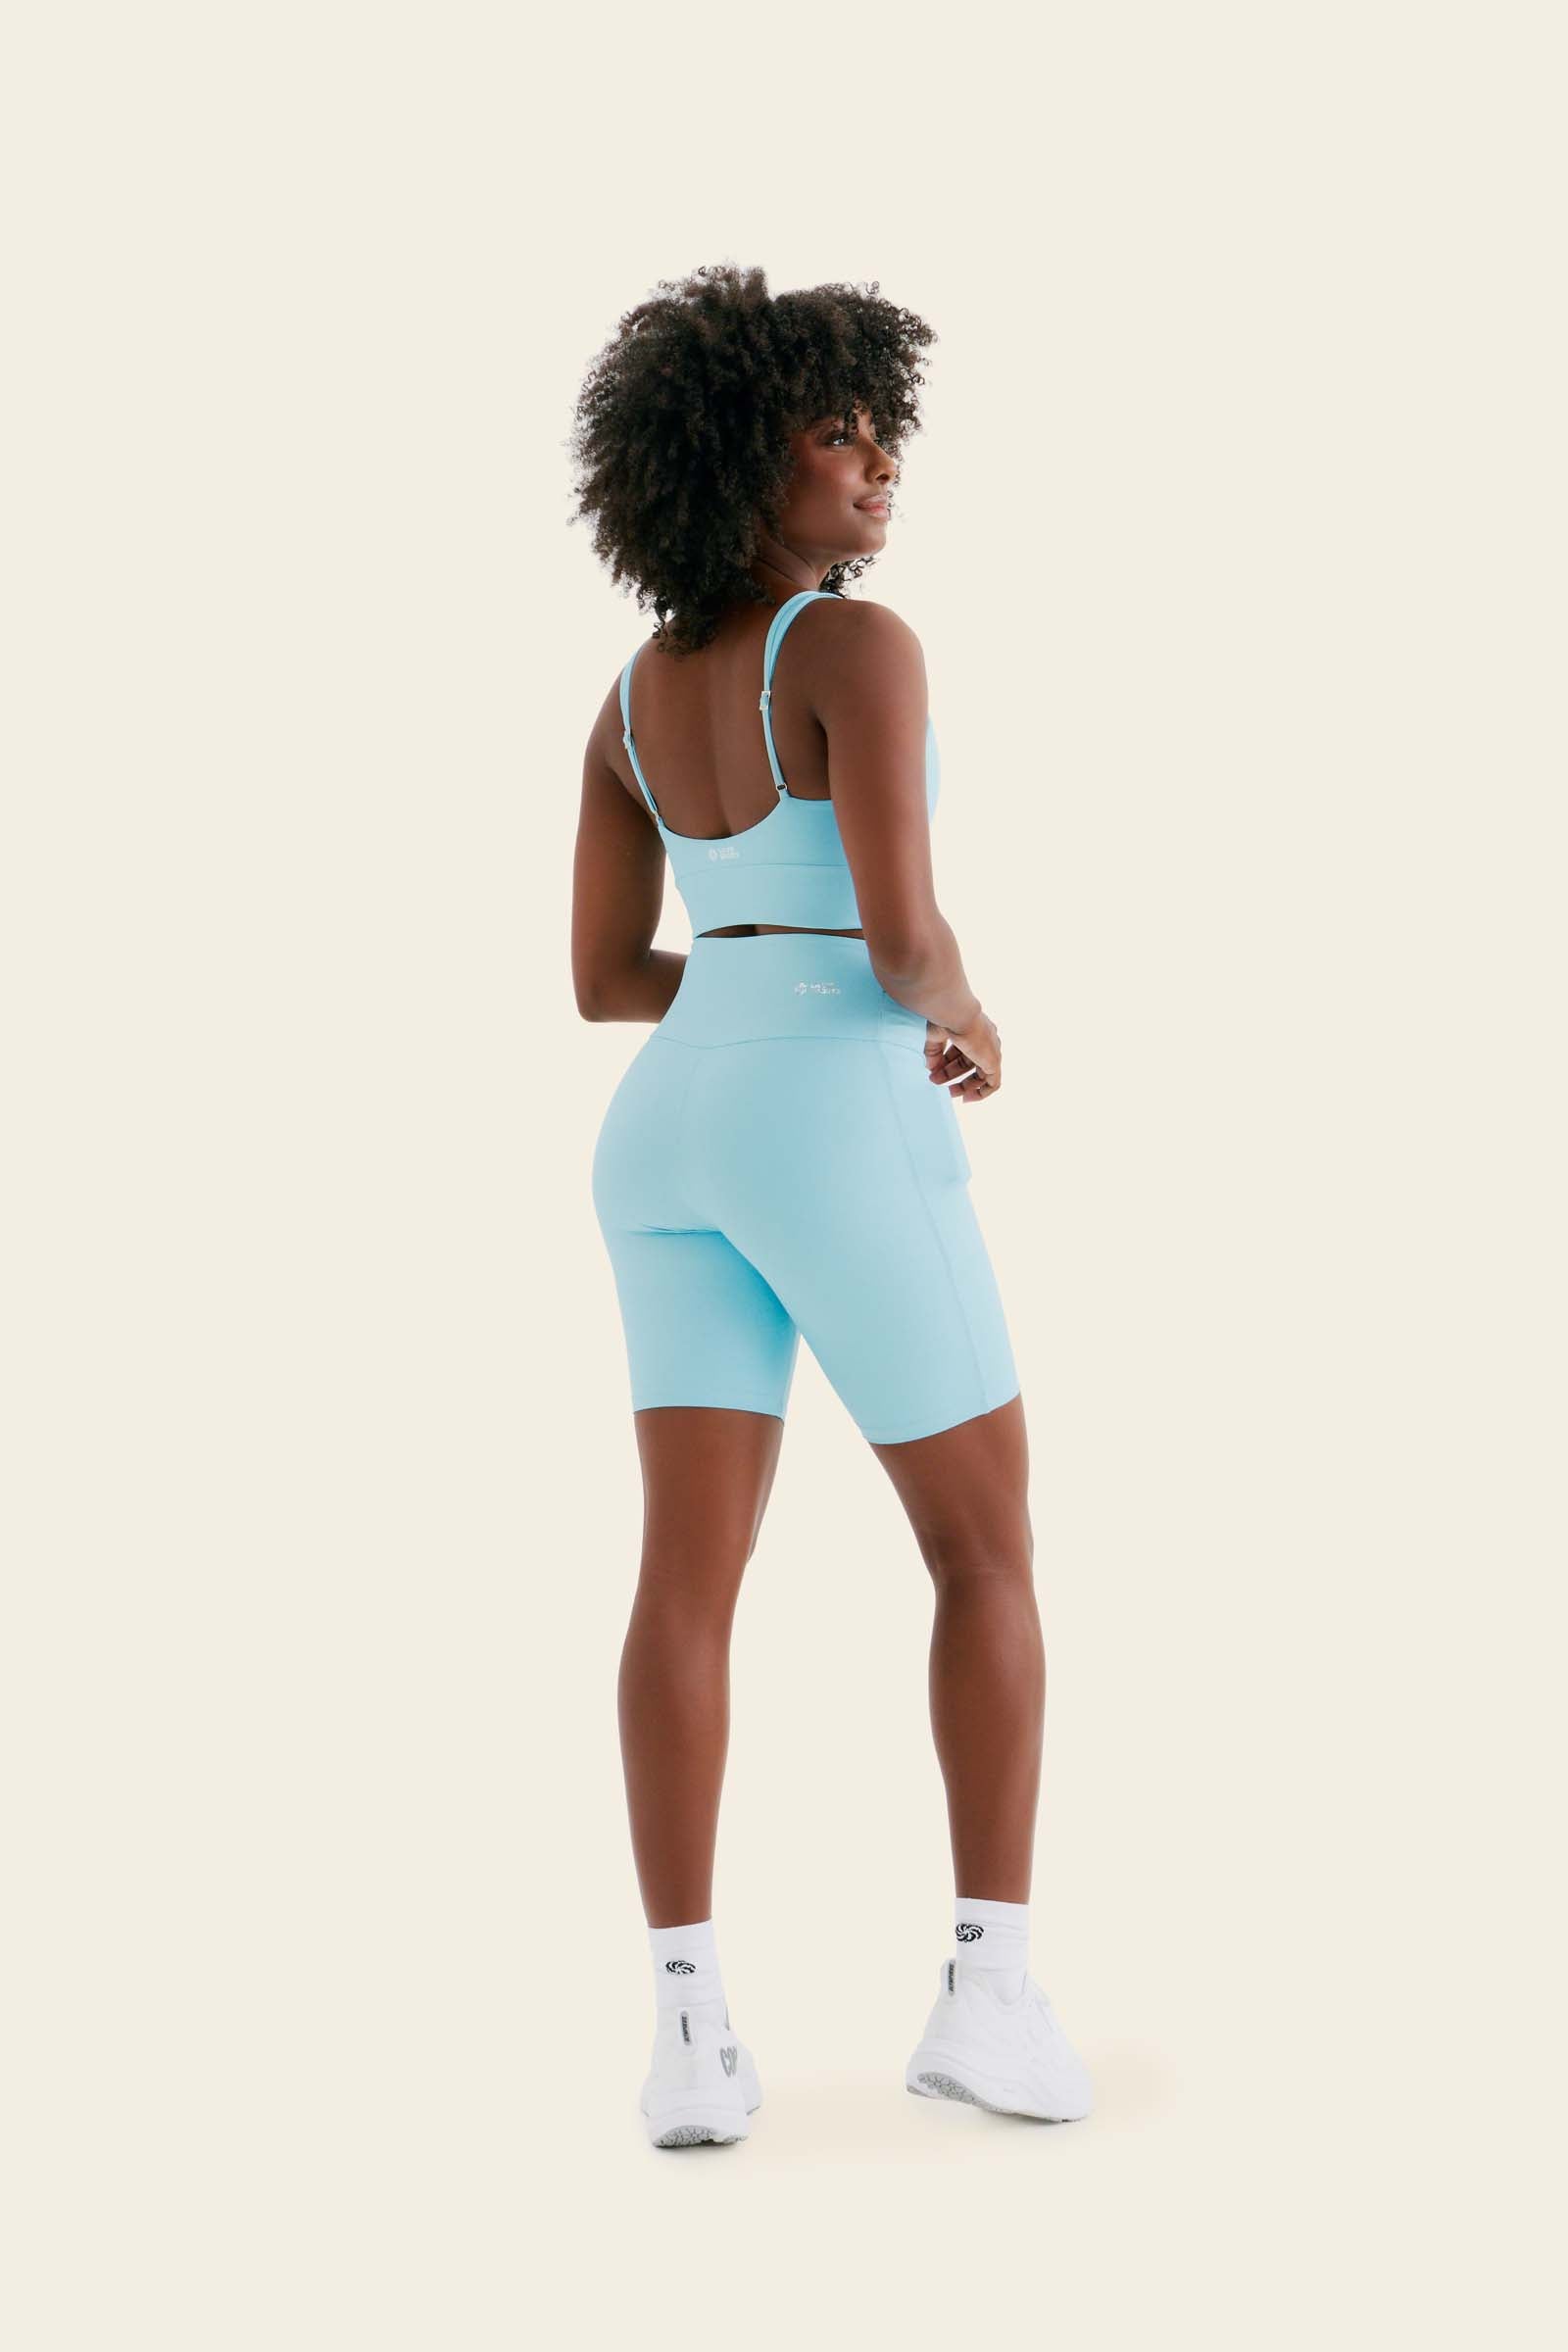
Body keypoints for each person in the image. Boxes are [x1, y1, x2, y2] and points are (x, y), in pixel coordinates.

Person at [568, 264, 1091, 2147]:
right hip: (835, 1122)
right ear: (739, 458)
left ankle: (687, 2041)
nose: (878, 467)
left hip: (667, 1139)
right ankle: (991, 2002)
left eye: (884, 434)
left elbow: (603, 980)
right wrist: (968, 1015)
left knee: (684, 1578)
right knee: (985, 1549)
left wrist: (745, 983)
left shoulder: (632, 698)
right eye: (836, 434)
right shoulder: (854, 649)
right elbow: (901, 938)